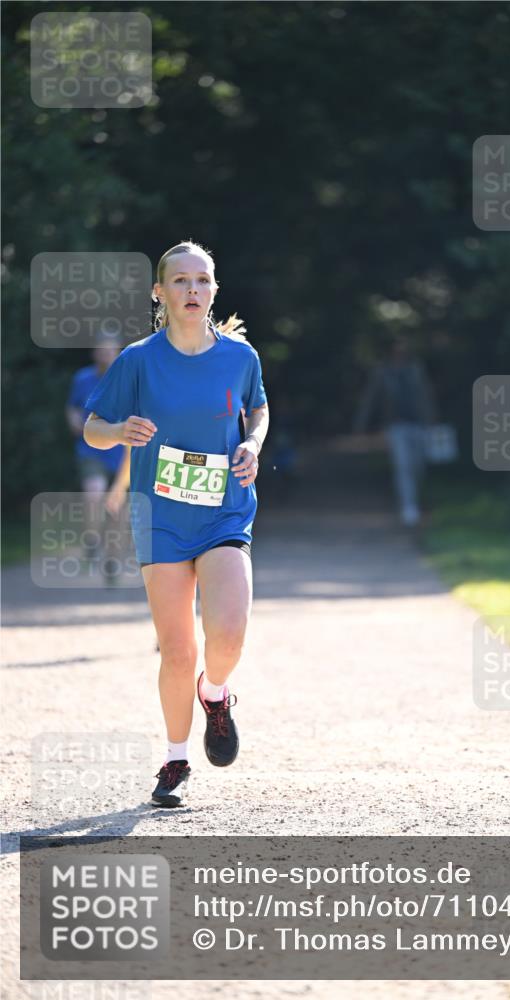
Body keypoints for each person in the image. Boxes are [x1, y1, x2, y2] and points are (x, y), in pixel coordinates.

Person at [83, 240, 269, 808]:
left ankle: (216, 693)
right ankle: (175, 757)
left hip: (224, 510)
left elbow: (258, 408)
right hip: (161, 518)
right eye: (182, 280)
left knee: (228, 633)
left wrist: (253, 443)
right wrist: (120, 432)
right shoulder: (138, 360)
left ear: (214, 290)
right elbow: (93, 428)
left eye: (203, 280)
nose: (193, 289)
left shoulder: (240, 356)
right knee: (177, 650)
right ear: (159, 292)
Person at [353, 336, 438, 527]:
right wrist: (360, 425)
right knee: (403, 465)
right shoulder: (382, 372)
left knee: (418, 465)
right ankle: (408, 506)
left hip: (419, 424)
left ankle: (414, 500)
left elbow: (426, 395)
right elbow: (370, 399)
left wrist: (432, 420)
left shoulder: (416, 369)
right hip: (396, 426)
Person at [66, 334, 127, 579]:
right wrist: (74, 422)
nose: (105, 355)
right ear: (94, 353)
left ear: (118, 353)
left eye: (110, 351)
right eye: (101, 351)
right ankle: (92, 540)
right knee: (94, 492)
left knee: (117, 509)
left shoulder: (127, 380)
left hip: (122, 454)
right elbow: (72, 407)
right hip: (91, 449)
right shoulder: (82, 378)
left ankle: (112, 561)